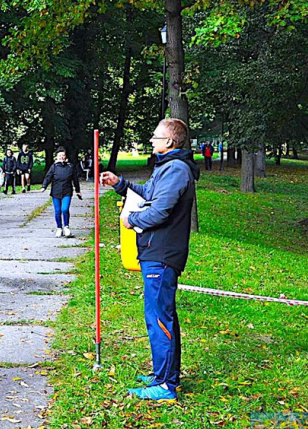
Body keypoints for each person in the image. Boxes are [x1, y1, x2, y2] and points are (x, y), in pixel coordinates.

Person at [100, 118, 199, 402]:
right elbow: (149, 194)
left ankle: (166, 385)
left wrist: (132, 220)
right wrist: (120, 185)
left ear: (170, 142)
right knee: (161, 316)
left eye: (156, 137)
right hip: (155, 252)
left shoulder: (177, 170)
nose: (152, 141)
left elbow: (159, 212)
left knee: (159, 318)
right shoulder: (167, 167)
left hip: (163, 254)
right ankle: (164, 374)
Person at [41, 147, 82, 238]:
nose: (61, 157)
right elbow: (48, 177)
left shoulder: (70, 167)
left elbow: (75, 179)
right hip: (56, 192)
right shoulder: (54, 167)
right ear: (57, 157)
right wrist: (44, 186)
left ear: (65, 157)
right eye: (60, 155)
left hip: (67, 192)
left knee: (65, 209)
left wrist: (78, 191)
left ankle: (66, 227)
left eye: (63, 155)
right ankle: (59, 228)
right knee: (57, 211)